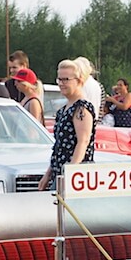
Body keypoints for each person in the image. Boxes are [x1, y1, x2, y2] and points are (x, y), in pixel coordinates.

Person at [38, 59, 96, 192]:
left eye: (66, 79)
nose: (61, 84)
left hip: (77, 178)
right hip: (60, 173)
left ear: (79, 81)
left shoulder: (81, 108)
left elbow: (83, 142)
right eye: (59, 79)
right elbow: (59, 146)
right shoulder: (64, 109)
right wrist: (48, 174)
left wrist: (71, 173)